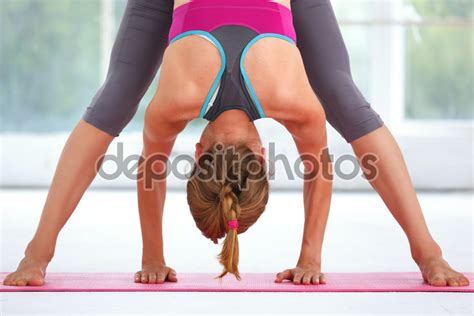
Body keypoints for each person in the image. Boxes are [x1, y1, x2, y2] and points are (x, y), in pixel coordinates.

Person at [3, 0, 468, 287]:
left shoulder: (294, 101)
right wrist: (152, 258)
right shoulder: (177, 102)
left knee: (344, 102)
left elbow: (320, 171)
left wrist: (310, 258)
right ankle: (428, 253)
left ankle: (37, 254)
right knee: (116, 100)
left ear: (264, 158)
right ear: (199, 155)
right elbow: (151, 171)